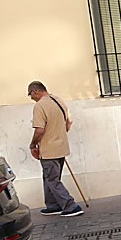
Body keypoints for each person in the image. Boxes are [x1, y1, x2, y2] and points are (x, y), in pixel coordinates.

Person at [28, 80, 83, 217]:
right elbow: (69, 121)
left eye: (30, 94)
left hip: (49, 149)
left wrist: (32, 145)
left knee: (52, 179)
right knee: (50, 177)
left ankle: (70, 206)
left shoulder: (40, 106)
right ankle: (52, 205)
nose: (31, 98)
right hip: (61, 146)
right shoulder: (58, 100)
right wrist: (60, 134)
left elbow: (39, 130)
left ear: (35, 91)